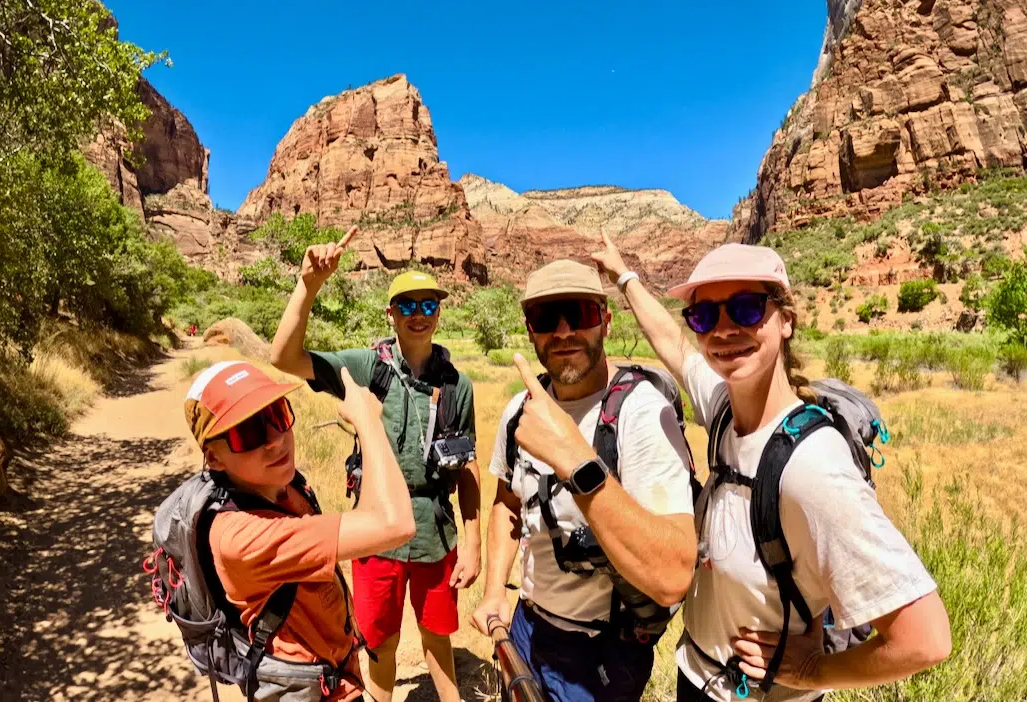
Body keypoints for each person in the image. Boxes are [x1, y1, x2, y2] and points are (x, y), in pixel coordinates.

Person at [589, 232, 952, 701]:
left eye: (745, 308)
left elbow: (925, 639)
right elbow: (673, 348)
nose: (722, 329)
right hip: (699, 678)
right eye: (704, 315)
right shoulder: (723, 407)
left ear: (786, 319)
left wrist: (812, 672)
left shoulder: (813, 468)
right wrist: (624, 276)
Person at [470, 259, 698, 701]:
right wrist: (495, 589)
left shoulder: (643, 413)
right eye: (545, 318)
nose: (562, 332)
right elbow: (506, 503)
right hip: (526, 628)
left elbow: (673, 575)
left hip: (602, 655)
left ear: (605, 320)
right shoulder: (522, 410)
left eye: (579, 314)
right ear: (530, 329)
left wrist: (573, 459)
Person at [270, 227, 480, 702]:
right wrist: (308, 285)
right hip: (376, 530)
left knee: (437, 634)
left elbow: (465, 468)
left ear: (440, 311)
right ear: (391, 312)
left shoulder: (459, 385)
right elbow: (284, 357)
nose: (419, 315)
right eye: (407, 305)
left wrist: (476, 543)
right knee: (380, 639)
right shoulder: (369, 367)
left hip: (434, 531)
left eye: (428, 305)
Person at [186, 359, 416, 701]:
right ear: (214, 458)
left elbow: (373, 518)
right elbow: (394, 523)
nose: (275, 440)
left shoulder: (279, 484)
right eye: (247, 433)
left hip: (337, 675)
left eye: (277, 415)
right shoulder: (241, 537)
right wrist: (368, 422)